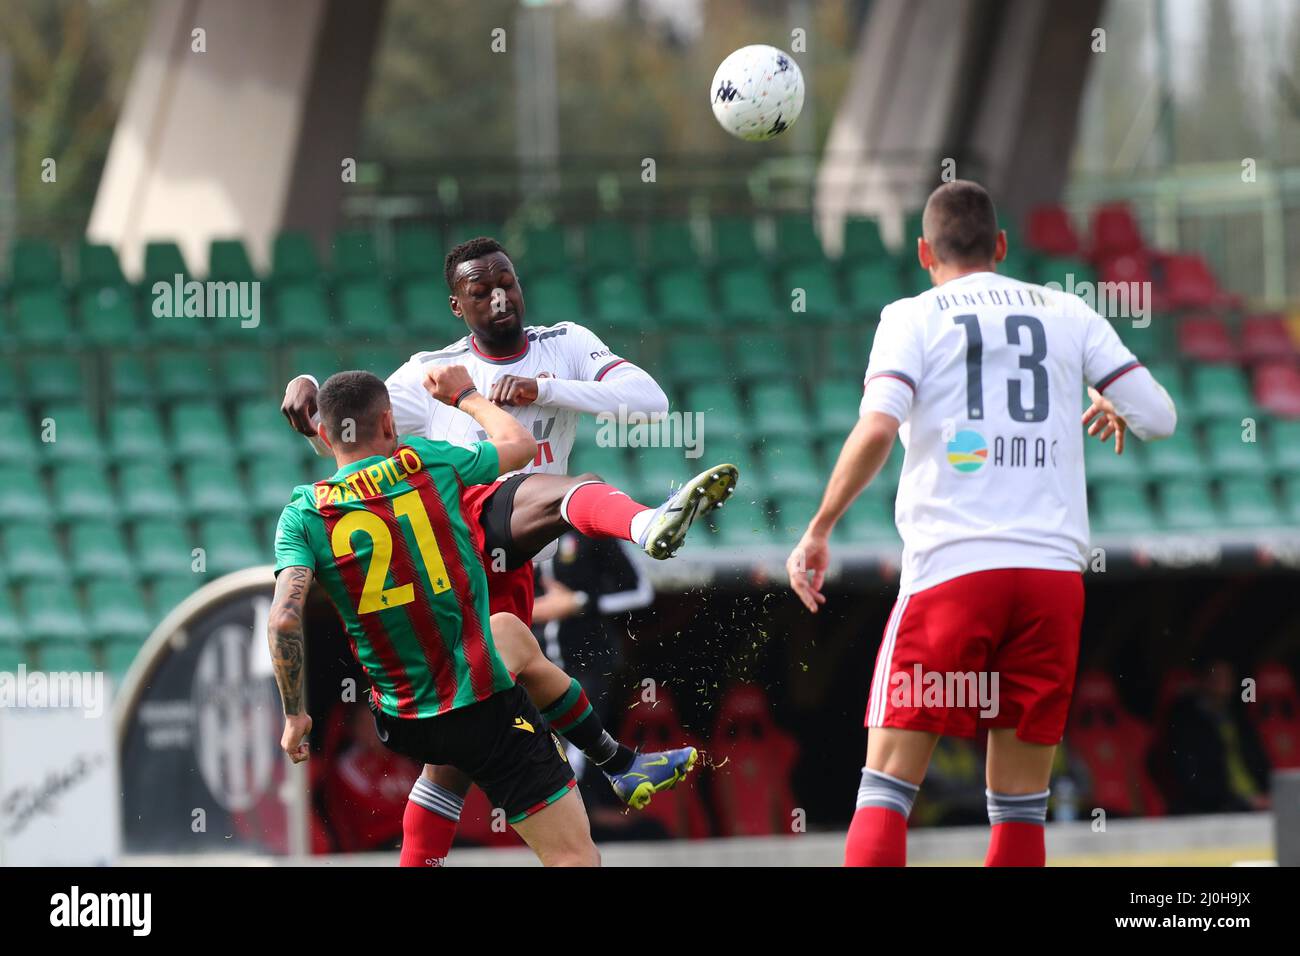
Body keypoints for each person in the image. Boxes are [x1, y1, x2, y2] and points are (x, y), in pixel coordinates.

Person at [280, 236, 737, 865]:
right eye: (480, 289)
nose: (499, 296)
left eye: (508, 282)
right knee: (558, 488)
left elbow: (650, 403)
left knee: (454, 755)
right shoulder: (431, 371)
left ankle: (619, 766)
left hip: (518, 567)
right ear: (456, 305)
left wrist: (545, 389)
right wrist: (308, 386)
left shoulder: (566, 344)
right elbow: (351, 428)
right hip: (462, 548)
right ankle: (644, 526)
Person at [785, 180, 1178, 867]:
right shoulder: (1066, 310)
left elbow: (878, 428)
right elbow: (1159, 416)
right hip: (1053, 580)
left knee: (885, 787)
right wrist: (1107, 401)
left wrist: (819, 526)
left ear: (922, 252)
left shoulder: (911, 316)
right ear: (1000, 246)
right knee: (1021, 806)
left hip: (954, 573)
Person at [269, 368, 601, 865]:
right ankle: (617, 761)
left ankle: (617, 759)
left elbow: (283, 621)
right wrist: (466, 396)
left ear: (323, 434)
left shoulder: (303, 513)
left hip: (403, 720)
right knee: (576, 858)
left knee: (507, 636)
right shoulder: (426, 463)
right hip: (479, 702)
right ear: (389, 421)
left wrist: (295, 715)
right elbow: (520, 444)